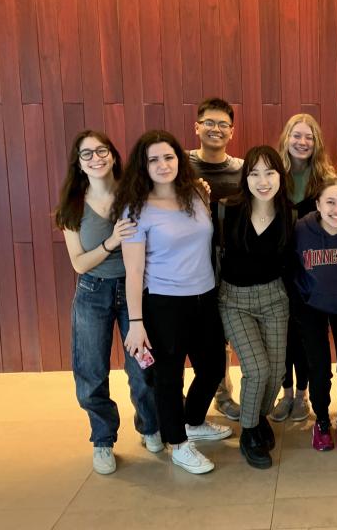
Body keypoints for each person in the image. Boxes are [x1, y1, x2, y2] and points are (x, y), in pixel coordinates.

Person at [114, 130, 231, 475]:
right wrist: (136, 324)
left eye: (168, 157)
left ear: (179, 159)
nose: (163, 165)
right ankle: (178, 443)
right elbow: (133, 272)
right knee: (168, 378)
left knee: (212, 368)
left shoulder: (196, 193)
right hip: (164, 303)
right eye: (153, 159)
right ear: (143, 166)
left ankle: (194, 420)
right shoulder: (135, 209)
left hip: (205, 296)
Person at [54, 130, 160, 475]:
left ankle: (150, 427)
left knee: (143, 370)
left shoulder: (134, 195)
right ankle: (103, 439)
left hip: (135, 291)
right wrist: (112, 241)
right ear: (79, 164)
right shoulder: (72, 205)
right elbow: (79, 263)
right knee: (91, 373)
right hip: (92, 293)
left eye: (101, 151)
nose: (96, 158)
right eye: (87, 154)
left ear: (113, 156)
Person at [217, 146, 293, 469]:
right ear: (245, 176)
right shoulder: (226, 208)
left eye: (270, 172)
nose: (263, 181)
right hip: (234, 300)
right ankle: (249, 433)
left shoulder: (290, 213)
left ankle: (259, 417)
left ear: (280, 176)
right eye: (254, 173)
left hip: (275, 298)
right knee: (257, 368)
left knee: (275, 373)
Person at [271, 113, 335, 422]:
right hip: (279, 266)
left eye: (309, 137)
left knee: (308, 335)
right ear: (286, 139)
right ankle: (285, 393)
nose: (302, 141)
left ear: (316, 143)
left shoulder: (326, 179)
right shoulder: (272, 175)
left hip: (313, 270)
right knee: (283, 334)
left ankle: (302, 395)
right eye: (297, 135)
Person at [292, 178, 337, 451]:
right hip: (312, 307)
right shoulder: (301, 229)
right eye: (330, 202)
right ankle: (321, 421)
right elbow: (291, 267)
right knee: (319, 370)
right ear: (318, 204)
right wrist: (300, 301)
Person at [189, 97, 244, 423]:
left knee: (222, 332)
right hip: (189, 263)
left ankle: (223, 395)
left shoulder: (240, 169)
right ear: (197, 127)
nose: (215, 129)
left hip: (231, 263)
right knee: (194, 334)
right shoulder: (179, 164)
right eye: (209, 122)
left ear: (232, 132)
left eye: (223, 124)